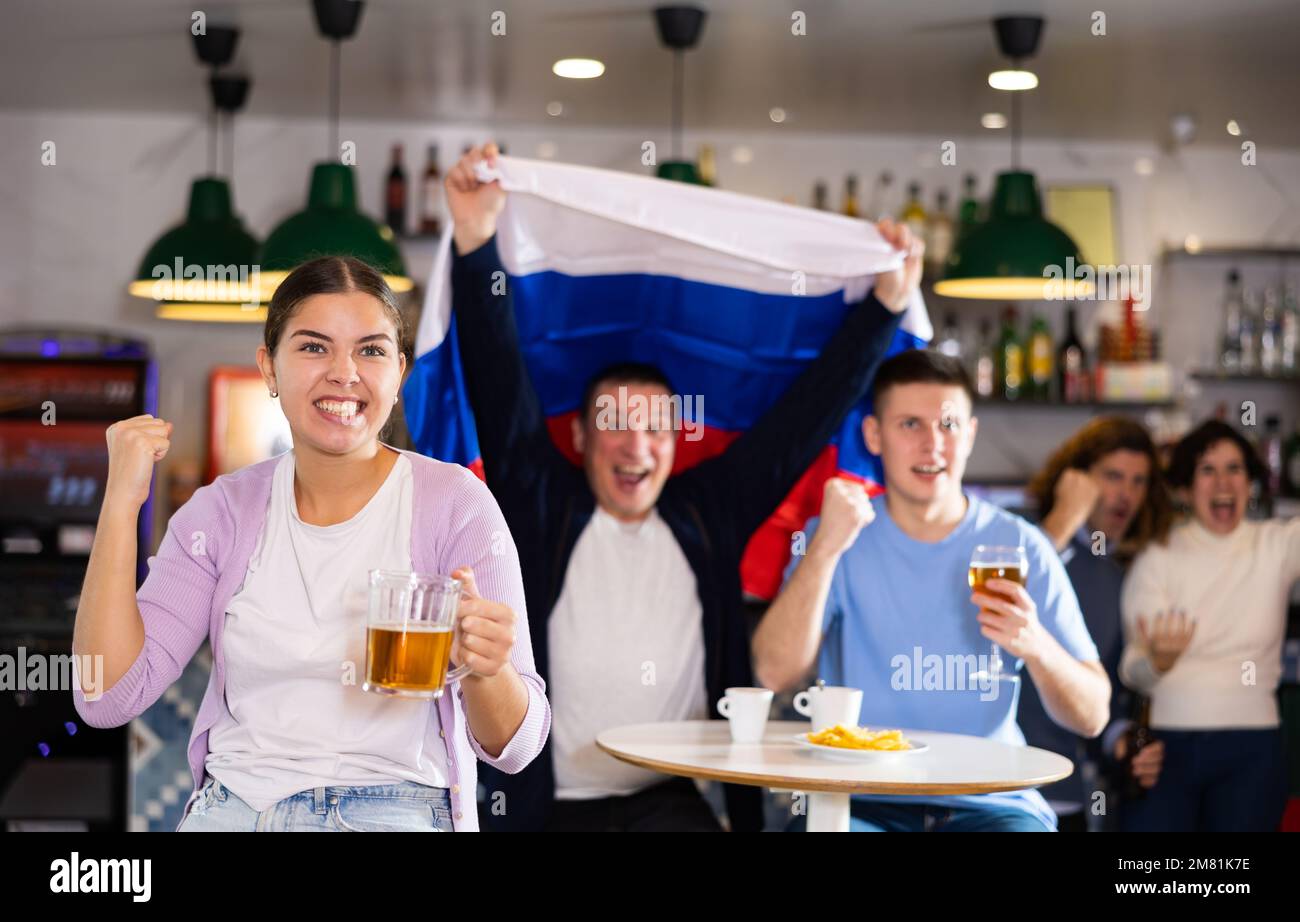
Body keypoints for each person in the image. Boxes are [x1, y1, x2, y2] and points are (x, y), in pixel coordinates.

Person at [446, 142, 919, 831]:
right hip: (545, 810)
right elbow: (497, 376)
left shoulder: (710, 511)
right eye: (615, 423)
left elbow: (804, 415)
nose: (636, 444)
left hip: (670, 809)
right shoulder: (538, 500)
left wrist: (887, 304)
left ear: (676, 443)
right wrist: (475, 237)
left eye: (655, 428)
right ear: (577, 439)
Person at [71, 255, 549, 831]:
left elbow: (516, 748)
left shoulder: (455, 505)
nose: (344, 373)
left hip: (393, 811)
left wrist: (486, 668)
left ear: (399, 374)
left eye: (370, 350)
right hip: (235, 810)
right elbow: (106, 698)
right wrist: (121, 503)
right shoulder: (221, 513)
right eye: (314, 347)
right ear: (269, 368)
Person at [753, 349, 1109, 832]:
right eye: (910, 425)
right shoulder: (838, 534)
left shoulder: (1019, 544)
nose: (932, 445)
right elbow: (773, 671)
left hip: (993, 802)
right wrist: (824, 548)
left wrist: (1035, 644)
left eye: (947, 424)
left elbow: (1092, 715)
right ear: (874, 436)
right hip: (860, 799)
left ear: (971, 435)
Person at [1119, 420, 1299, 832]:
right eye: (1207, 470)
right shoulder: (1158, 557)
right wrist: (1159, 663)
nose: (1223, 482)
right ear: (1184, 488)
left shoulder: (1277, 545)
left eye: (1235, 468)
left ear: (1251, 483)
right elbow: (1132, 670)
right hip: (1166, 748)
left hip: (1253, 746)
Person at [1021, 417, 1173, 830]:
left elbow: (1105, 704)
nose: (1127, 493)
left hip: (1067, 800)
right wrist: (1065, 516)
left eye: (1139, 481)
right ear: (1076, 479)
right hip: (998, 792)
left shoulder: (1118, 578)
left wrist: (1123, 741)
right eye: (1113, 476)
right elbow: (1005, 594)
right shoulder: (1026, 541)